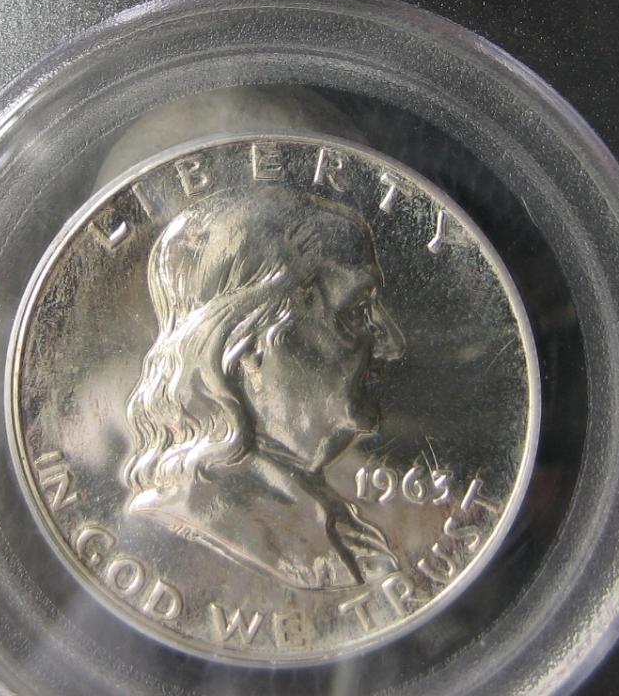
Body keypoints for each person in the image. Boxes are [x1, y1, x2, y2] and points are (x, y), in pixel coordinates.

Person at [122, 186, 406, 590]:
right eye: (357, 312)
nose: (392, 345)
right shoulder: (196, 528)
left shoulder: (343, 532)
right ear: (248, 347)